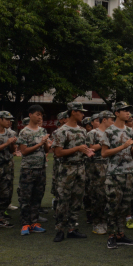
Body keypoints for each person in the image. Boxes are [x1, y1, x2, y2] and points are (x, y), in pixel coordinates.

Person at [101, 101, 133, 249]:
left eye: (128, 110)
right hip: (114, 173)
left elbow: (129, 150)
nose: (127, 112)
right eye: (124, 110)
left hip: (129, 172)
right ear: (116, 113)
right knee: (113, 206)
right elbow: (104, 153)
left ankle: (120, 234)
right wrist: (123, 146)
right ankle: (111, 236)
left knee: (125, 206)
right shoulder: (109, 131)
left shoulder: (130, 131)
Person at [52, 102, 93, 242]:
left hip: (80, 168)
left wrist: (87, 151)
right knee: (63, 199)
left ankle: (72, 228)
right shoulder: (61, 131)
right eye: (81, 112)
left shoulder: (82, 130)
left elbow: (83, 148)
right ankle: (60, 229)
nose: (83, 114)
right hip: (66, 169)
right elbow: (58, 153)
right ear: (73, 112)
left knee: (77, 199)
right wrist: (77, 149)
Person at [17, 105, 50, 235]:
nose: (40, 117)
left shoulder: (42, 130)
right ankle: (25, 224)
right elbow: (24, 151)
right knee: (25, 198)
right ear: (30, 115)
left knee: (37, 197)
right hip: (28, 170)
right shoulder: (24, 132)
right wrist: (40, 144)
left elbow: (47, 150)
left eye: (41, 115)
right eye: (37, 114)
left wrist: (46, 143)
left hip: (41, 169)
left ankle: (34, 222)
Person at [88, 111, 113, 234]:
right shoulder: (93, 133)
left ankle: (106, 220)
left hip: (110, 165)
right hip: (97, 166)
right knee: (98, 195)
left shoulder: (111, 132)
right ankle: (97, 222)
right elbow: (90, 148)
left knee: (109, 195)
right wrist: (103, 143)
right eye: (111, 119)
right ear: (105, 120)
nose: (113, 122)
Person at [0, 111, 18, 229]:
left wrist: (13, 145)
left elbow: (13, 150)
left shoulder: (11, 133)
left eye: (10, 120)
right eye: (6, 119)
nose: (9, 122)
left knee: (6, 192)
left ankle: (1, 218)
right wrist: (6, 144)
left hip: (8, 166)